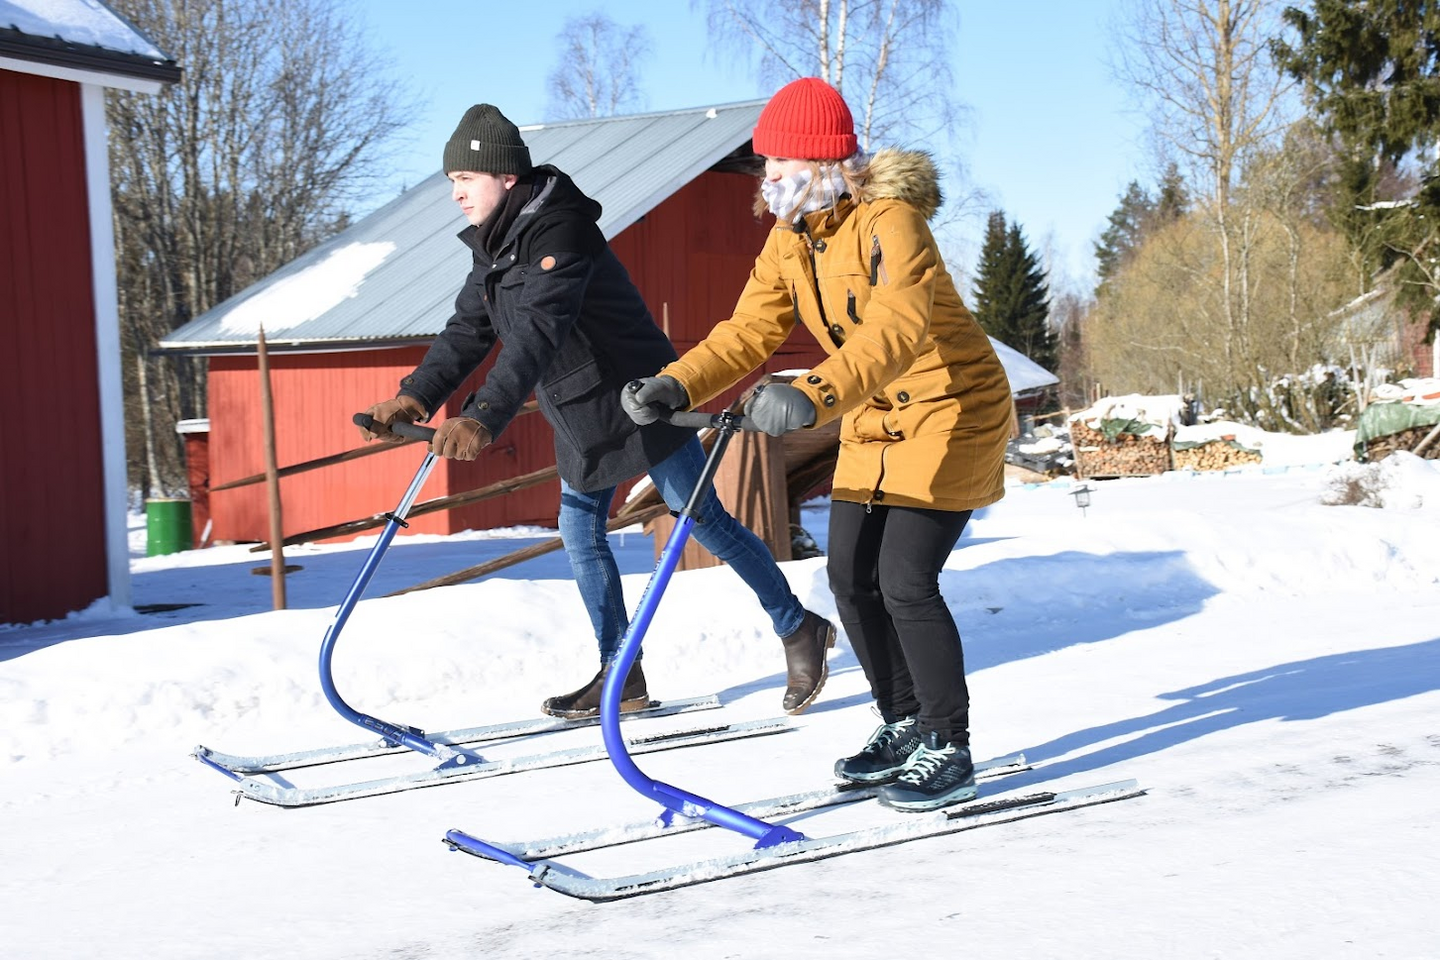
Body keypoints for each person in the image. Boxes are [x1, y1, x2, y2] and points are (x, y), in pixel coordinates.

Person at [358, 103, 834, 720]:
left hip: (641, 400)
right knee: (580, 533)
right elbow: (468, 328)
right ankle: (621, 671)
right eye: (452, 182)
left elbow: (535, 331)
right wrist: (416, 394)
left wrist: (483, 415)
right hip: (577, 407)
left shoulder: (562, 231)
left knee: (704, 520)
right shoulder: (495, 242)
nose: (455, 194)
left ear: (505, 177)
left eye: (464, 180)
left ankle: (798, 627)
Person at [623, 78, 1013, 812]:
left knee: (904, 578)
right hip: (874, 414)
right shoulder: (789, 239)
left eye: (777, 162)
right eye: (765, 165)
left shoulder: (891, 222)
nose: (766, 178)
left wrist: (813, 395)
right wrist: (677, 384)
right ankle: (899, 724)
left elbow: (896, 328)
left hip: (951, 410)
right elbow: (749, 332)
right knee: (848, 575)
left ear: (823, 161)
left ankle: (947, 742)